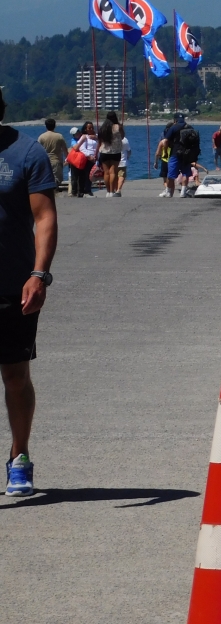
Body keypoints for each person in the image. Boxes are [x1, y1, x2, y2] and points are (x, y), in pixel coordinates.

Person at [0, 86, 59, 497]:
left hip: (12, 283)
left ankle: (19, 456)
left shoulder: (26, 153)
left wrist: (39, 274)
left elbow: (45, 216)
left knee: (15, 376)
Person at [96, 111, 125, 197]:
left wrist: (96, 153)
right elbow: (122, 136)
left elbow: (99, 140)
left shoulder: (102, 128)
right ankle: (112, 191)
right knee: (113, 172)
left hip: (104, 152)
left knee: (106, 172)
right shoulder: (118, 127)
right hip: (115, 152)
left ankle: (108, 191)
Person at [36, 120, 66, 190]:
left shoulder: (41, 137)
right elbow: (65, 150)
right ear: (55, 126)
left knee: (46, 181)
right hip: (56, 161)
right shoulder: (59, 136)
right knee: (57, 181)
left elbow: (37, 150)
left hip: (45, 161)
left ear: (46, 126)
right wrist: (67, 159)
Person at [71, 122, 97, 197]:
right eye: (89, 128)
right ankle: (85, 190)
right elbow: (82, 148)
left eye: (92, 128)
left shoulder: (95, 137)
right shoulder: (84, 137)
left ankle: (88, 189)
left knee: (91, 175)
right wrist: (89, 156)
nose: (91, 129)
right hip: (86, 158)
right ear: (85, 129)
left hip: (94, 158)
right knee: (85, 175)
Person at [155, 126, 173, 198]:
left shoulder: (162, 142)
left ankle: (167, 190)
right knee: (171, 178)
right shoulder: (173, 143)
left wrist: (156, 162)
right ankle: (169, 191)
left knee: (165, 179)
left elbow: (157, 153)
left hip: (164, 161)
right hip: (172, 161)